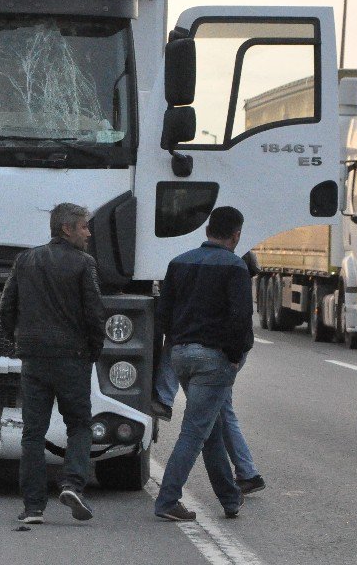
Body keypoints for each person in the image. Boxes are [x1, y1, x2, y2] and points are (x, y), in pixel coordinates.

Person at [0, 203, 106, 525]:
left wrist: (18, 340)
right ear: (67, 229)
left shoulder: (25, 260)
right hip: (72, 357)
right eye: (84, 227)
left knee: (33, 432)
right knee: (79, 424)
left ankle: (33, 507)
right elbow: (94, 313)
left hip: (33, 358)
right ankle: (73, 483)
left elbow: (7, 306)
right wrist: (94, 349)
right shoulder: (83, 264)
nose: (88, 234)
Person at [153, 206, 253, 521]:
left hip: (180, 355)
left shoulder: (178, 262)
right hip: (214, 360)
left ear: (206, 230)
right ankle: (167, 500)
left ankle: (230, 499)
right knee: (195, 431)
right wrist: (235, 357)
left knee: (210, 428)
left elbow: (163, 315)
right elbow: (240, 318)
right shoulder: (235, 266)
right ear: (236, 235)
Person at [151, 252, 266, 495]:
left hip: (219, 352)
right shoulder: (229, 260)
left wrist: (233, 356)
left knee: (199, 428)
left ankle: (170, 496)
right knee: (219, 415)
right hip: (223, 352)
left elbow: (239, 316)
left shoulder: (202, 259)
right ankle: (243, 478)